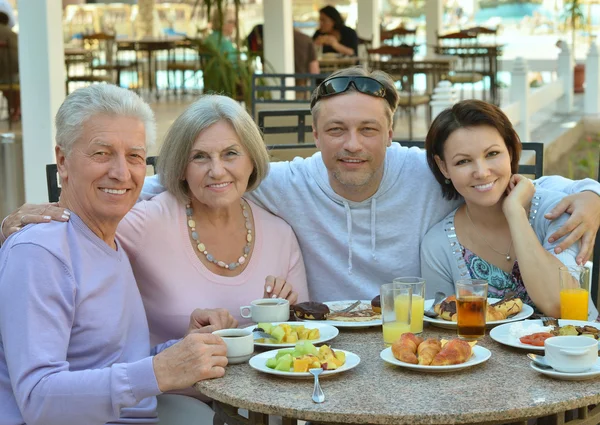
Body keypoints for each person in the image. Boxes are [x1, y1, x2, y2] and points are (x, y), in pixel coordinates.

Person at [3, 68, 600, 304]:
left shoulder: (430, 169)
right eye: (335, 129)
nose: (352, 145)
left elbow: (514, 181)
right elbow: (193, 179)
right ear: (311, 132)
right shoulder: (281, 182)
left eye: (369, 130)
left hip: (415, 342)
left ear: (393, 131)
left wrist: (593, 191)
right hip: (324, 348)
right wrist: (66, 212)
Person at [0, 84, 237, 425]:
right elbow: (39, 399)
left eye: (135, 157)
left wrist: (184, 349)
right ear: (63, 162)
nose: (122, 173)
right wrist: (159, 371)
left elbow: (117, 364)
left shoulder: (109, 241)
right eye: (101, 153)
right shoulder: (41, 253)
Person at [116, 94, 308, 347]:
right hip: (173, 385)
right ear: (181, 167)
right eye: (200, 157)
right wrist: (52, 214)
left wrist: (284, 315)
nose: (216, 171)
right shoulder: (145, 223)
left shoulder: (280, 233)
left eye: (230, 154)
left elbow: (303, 335)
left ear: (252, 160)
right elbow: (80, 234)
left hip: (262, 384)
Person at [420, 100, 599, 320]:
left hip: (576, 349)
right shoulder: (438, 245)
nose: (482, 172)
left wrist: (515, 213)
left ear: (511, 151)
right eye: (463, 161)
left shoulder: (555, 212)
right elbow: (442, 328)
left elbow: (561, 306)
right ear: (443, 167)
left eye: (492, 154)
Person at [247, 24, 320, 75]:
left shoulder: (267, 39)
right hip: (302, 88)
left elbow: (264, 68)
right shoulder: (305, 39)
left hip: (273, 88)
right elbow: (314, 71)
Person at [0, 11, 19, 121]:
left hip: (3, 74)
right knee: (17, 84)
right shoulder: (13, 35)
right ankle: (15, 111)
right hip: (11, 75)